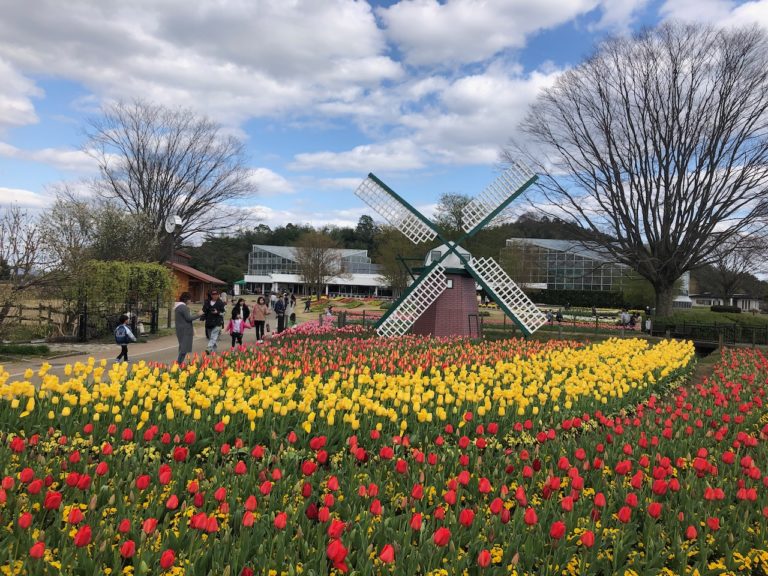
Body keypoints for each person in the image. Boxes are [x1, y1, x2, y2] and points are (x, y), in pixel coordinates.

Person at [174, 292, 202, 365]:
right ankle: (178, 364)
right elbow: (188, 318)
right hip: (185, 330)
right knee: (184, 349)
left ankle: (178, 363)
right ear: (186, 299)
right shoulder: (184, 307)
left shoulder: (178, 307)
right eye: (190, 299)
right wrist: (198, 315)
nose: (190, 301)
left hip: (180, 329)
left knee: (182, 347)